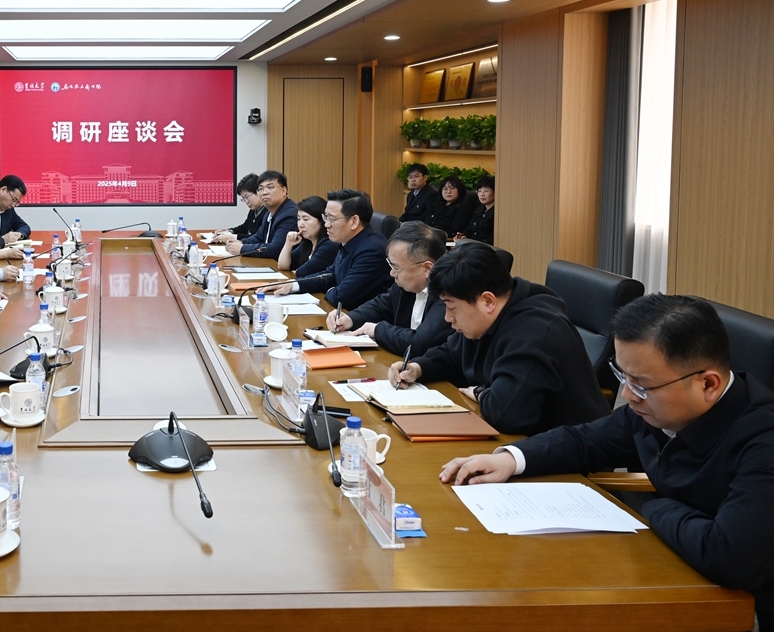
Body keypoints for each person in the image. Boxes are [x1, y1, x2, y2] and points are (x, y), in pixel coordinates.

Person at [439, 295, 774, 631]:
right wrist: (511, 459)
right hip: (673, 568)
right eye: (623, 376)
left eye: (641, 385)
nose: (627, 396)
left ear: (708, 384)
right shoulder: (657, 409)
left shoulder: (763, 441)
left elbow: (730, 557)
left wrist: (653, 507)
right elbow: (585, 441)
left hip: (743, 608)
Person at [390, 241, 608, 435]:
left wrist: (480, 392)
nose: (448, 318)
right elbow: (452, 352)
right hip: (526, 442)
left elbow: (507, 414)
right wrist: (418, 368)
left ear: (488, 301)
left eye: (452, 307)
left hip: (569, 452)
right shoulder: (488, 316)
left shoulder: (535, 332)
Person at [327, 222, 452, 355]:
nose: (392, 273)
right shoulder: (405, 285)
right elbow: (380, 306)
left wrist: (376, 330)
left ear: (427, 268)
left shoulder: (448, 293)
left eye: (396, 267)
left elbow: (419, 343)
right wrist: (349, 319)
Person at [270, 189, 392, 310]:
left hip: (360, 318)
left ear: (354, 221)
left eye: (332, 219)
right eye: (326, 217)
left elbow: (341, 296)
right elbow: (330, 275)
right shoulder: (349, 241)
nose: (326, 224)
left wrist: (331, 290)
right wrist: (293, 285)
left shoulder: (372, 250)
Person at [224, 170, 297, 260]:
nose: (264, 192)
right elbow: (258, 237)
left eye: (270, 187)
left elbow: (276, 249)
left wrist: (242, 248)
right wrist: (240, 242)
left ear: (284, 190)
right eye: (260, 189)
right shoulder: (269, 213)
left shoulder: (289, 215)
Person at [276, 195, 338, 275]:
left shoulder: (329, 244)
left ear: (321, 221)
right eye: (299, 219)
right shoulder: (308, 242)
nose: (300, 224)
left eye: (306, 219)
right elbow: (282, 266)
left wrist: (296, 272)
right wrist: (288, 244)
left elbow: (302, 272)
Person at [213, 174, 262, 243]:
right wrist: (228, 232)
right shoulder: (253, 210)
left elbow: (257, 238)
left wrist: (233, 237)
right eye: (243, 199)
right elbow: (244, 227)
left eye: (247, 197)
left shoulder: (268, 212)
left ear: (258, 191)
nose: (246, 202)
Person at [0, 175, 31, 243]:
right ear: (3, 190)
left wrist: (18, 235)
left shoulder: (8, 209)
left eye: (17, 202)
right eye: (14, 200)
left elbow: (24, 226)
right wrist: (2, 240)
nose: (13, 205)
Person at [456, 175, 495, 244]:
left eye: (486, 191)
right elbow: (469, 229)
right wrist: (463, 236)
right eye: (479, 191)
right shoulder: (479, 210)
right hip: (472, 245)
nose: (482, 194)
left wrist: (472, 242)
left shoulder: (497, 212)